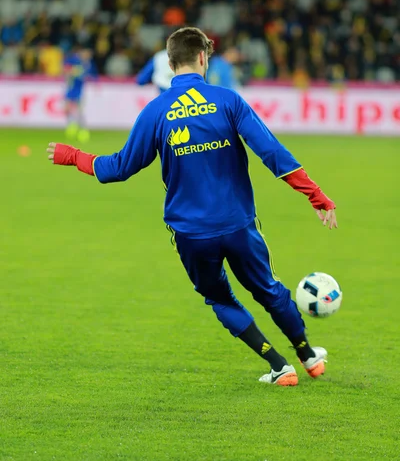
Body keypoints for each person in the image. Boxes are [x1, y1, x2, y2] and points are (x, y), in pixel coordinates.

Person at [47, 27, 337, 387]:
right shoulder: (228, 101)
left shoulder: (156, 111)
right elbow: (273, 153)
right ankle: (307, 355)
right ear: (203, 58)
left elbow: (118, 168)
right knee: (269, 290)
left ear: (169, 63)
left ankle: (279, 365)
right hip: (238, 225)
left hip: (191, 233)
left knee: (221, 299)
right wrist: (316, 195)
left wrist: (72, 156)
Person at [64, 47, 96, 142]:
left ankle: (83, 130)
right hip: (71, 89)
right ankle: (72, 126)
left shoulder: (88, 65)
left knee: (79, 111)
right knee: (68, 109)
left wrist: (74, 72)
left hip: (79, 91)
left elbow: (87, 75)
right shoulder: (76, 62)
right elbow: (67, 70)